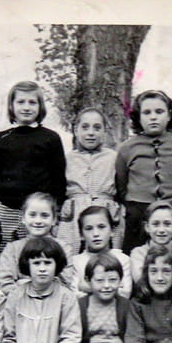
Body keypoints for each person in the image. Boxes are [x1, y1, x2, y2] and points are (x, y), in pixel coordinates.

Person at [0, 81, 66, 251]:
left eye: (32, 102)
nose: (26, 107)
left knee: (35, 253)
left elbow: (58, 179)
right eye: (20, 102)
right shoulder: (0, 139)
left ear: (40, 106)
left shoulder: (50, 138)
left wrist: (55, 210)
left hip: (38, 212)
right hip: (6, 209)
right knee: (3, 254)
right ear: (11, 106)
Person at [116, 90, 172, 252]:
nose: (153, 117)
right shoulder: (127, 147)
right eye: (147, 112)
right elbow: (121, 185)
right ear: (138, 117)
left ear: (169, 115)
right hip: (139, 214)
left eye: (159, 112)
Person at [56, 107, 124, 255]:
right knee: (70, 254)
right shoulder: (68, 158)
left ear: (104, 132)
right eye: (85, 127)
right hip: (74, 214)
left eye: (97, 128)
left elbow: (122, 188)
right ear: (76, 130)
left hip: (106, 212)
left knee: (108, 257)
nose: (91, 133)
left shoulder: (113, 157)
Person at [0, 192, 73, 296]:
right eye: (32, 215)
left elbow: (66, 282)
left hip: (54, 301)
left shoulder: (63, 248)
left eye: (44, 216)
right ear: (23, 218)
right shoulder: (12, 249)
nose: (38, 221)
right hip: (20, 302)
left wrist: (25, 284)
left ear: (54, 219)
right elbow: (5, 284)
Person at [129, 200, 172, 292]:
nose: (161, 230)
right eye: (155, 224)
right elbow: (142, 283)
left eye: (167, 224)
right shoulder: (138, 253)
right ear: (147, 227)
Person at [68, 205, 132, 299]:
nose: (96, 234)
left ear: (112, 231)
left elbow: (125, 293)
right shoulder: (76, 261)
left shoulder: (123, 259)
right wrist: (113, 288)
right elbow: (74, 295)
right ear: (81, 235)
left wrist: (86, 287)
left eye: (101, 227)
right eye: (89, 228)